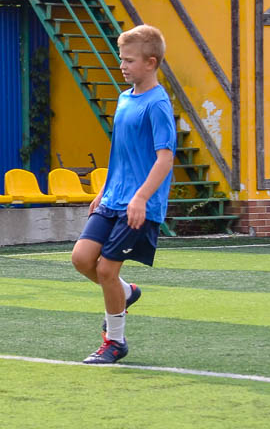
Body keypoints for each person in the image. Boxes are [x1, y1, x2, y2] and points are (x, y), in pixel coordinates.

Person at [71, 24, 176, 364]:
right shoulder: (124, 97)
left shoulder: (158, 105)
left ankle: (115, 342)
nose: (123, 65)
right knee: (82, 259)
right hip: (113, 199)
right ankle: (127, 292)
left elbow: (165, 158)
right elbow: (120, 152)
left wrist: (142, 198)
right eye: (121, 59)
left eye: (129, 60)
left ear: (151, 62)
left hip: (139, 206)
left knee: (105, 271)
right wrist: (103, 190)